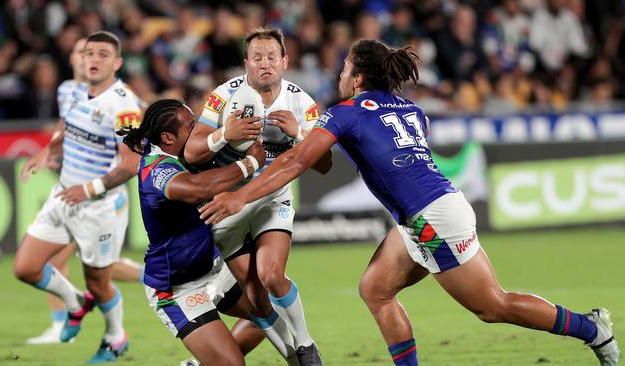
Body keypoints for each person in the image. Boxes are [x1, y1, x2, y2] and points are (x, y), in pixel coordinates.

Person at [199, 39, 620, 366]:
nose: (341, 75)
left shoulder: (346, 111)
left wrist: (239, 197)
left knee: (493, 306)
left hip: (431, 218)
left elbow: (295, 162)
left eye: (346, 69)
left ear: (359, 78)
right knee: (376, 290)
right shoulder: (410, 109)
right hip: (425, 213)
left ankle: (592, 329)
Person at [184, 27, 330, 365]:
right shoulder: (223, 96)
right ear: (246, 63)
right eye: (257, 57)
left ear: (285, 61)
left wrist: (299, 135)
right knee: (255, 299)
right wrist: (224, 134)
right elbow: (193, 152)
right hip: (229, 205)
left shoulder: (302, 103)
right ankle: (294, 359)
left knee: (271, 275)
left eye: (272, 57)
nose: (265, 64)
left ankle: (306, 347)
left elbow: (324, 165)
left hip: (272, 199)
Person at [14, 31, 141, 364]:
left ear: (116, 63)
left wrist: (89, 189)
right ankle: (75, 303)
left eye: (103, 55)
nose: (94, 60)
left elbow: (132, 163)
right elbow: (68, 128)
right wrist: (46, 152)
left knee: (100, 283)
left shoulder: (124, 104)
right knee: (25, 268)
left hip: (99, 206)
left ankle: (115, 338)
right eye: (89, 53)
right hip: (63, 196)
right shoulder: (70, 91)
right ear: (80, 59)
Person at [122, 98, 268, 366]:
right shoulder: (157, 170)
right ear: (168, 137)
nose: (198, 129)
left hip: (213, 268)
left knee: (271, 312)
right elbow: (198, 188)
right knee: (232, 365)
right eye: (191, 125)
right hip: (177, 287)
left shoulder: (188, 154)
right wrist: (249, 164)